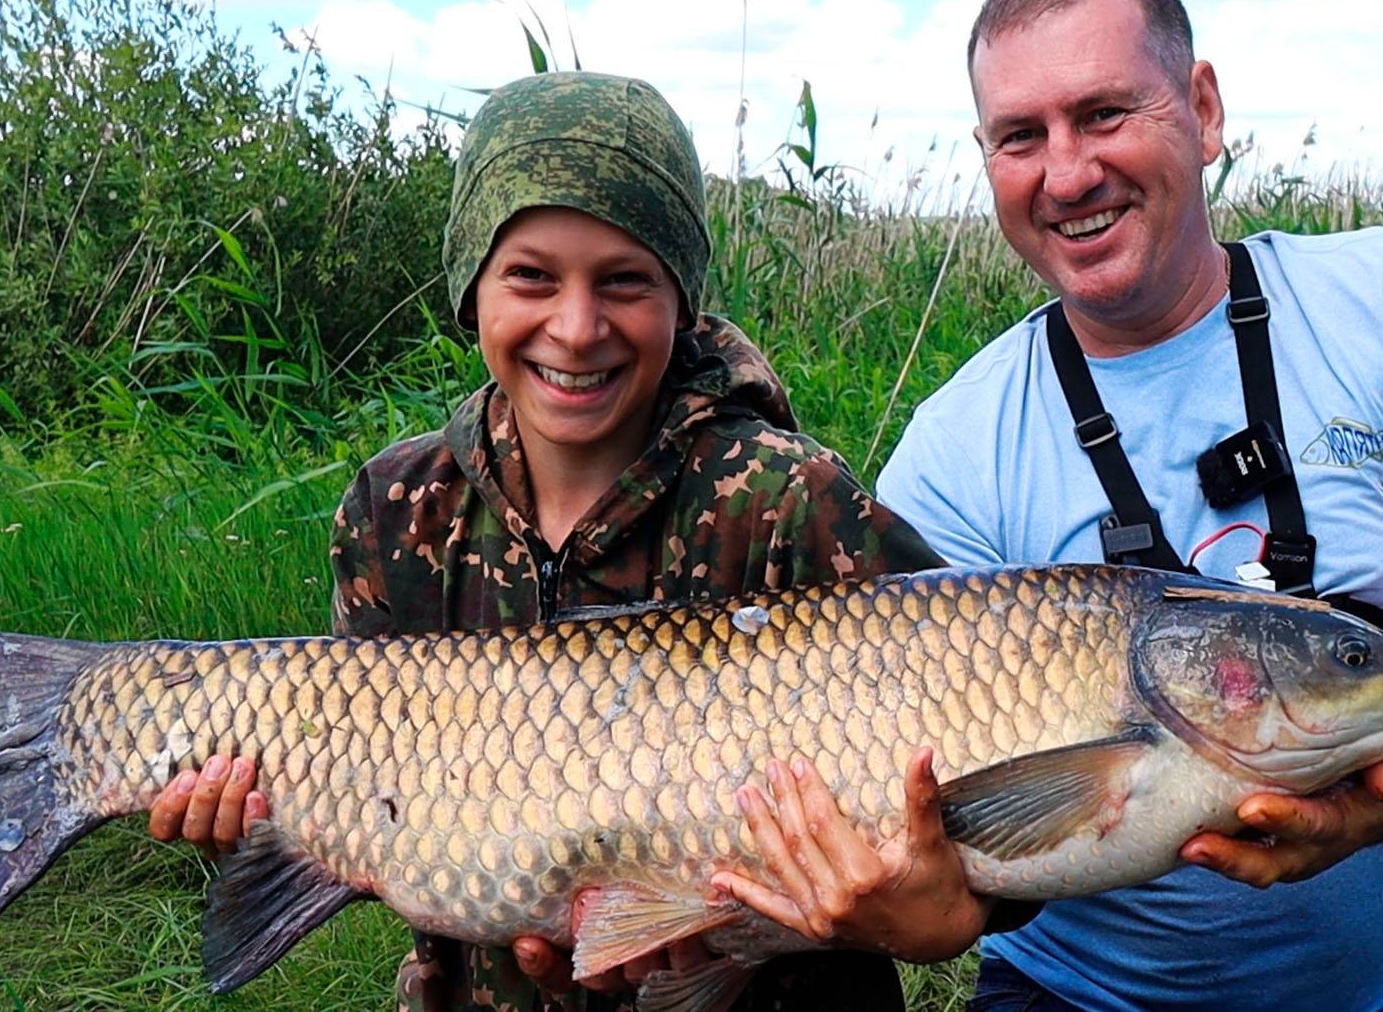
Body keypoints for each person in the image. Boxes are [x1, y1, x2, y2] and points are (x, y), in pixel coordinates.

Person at [710, 0, 1383, 1012]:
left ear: (1204, 109)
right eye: (1021, 136)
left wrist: (1373, 805)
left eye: (1107, 113)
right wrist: (917, 909)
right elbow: (940, 847)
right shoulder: (952, 453)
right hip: (1072, 994)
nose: (1069, 172)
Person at [147, 69, 944, 1012]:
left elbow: (974, 810)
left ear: (681, 299)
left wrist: (919, 906)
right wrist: (267, 816)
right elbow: (363, 786)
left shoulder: (791, 503)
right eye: (530, 276)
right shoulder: (399, 507)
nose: (576, 328)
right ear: (471, 288)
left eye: (624, 282)